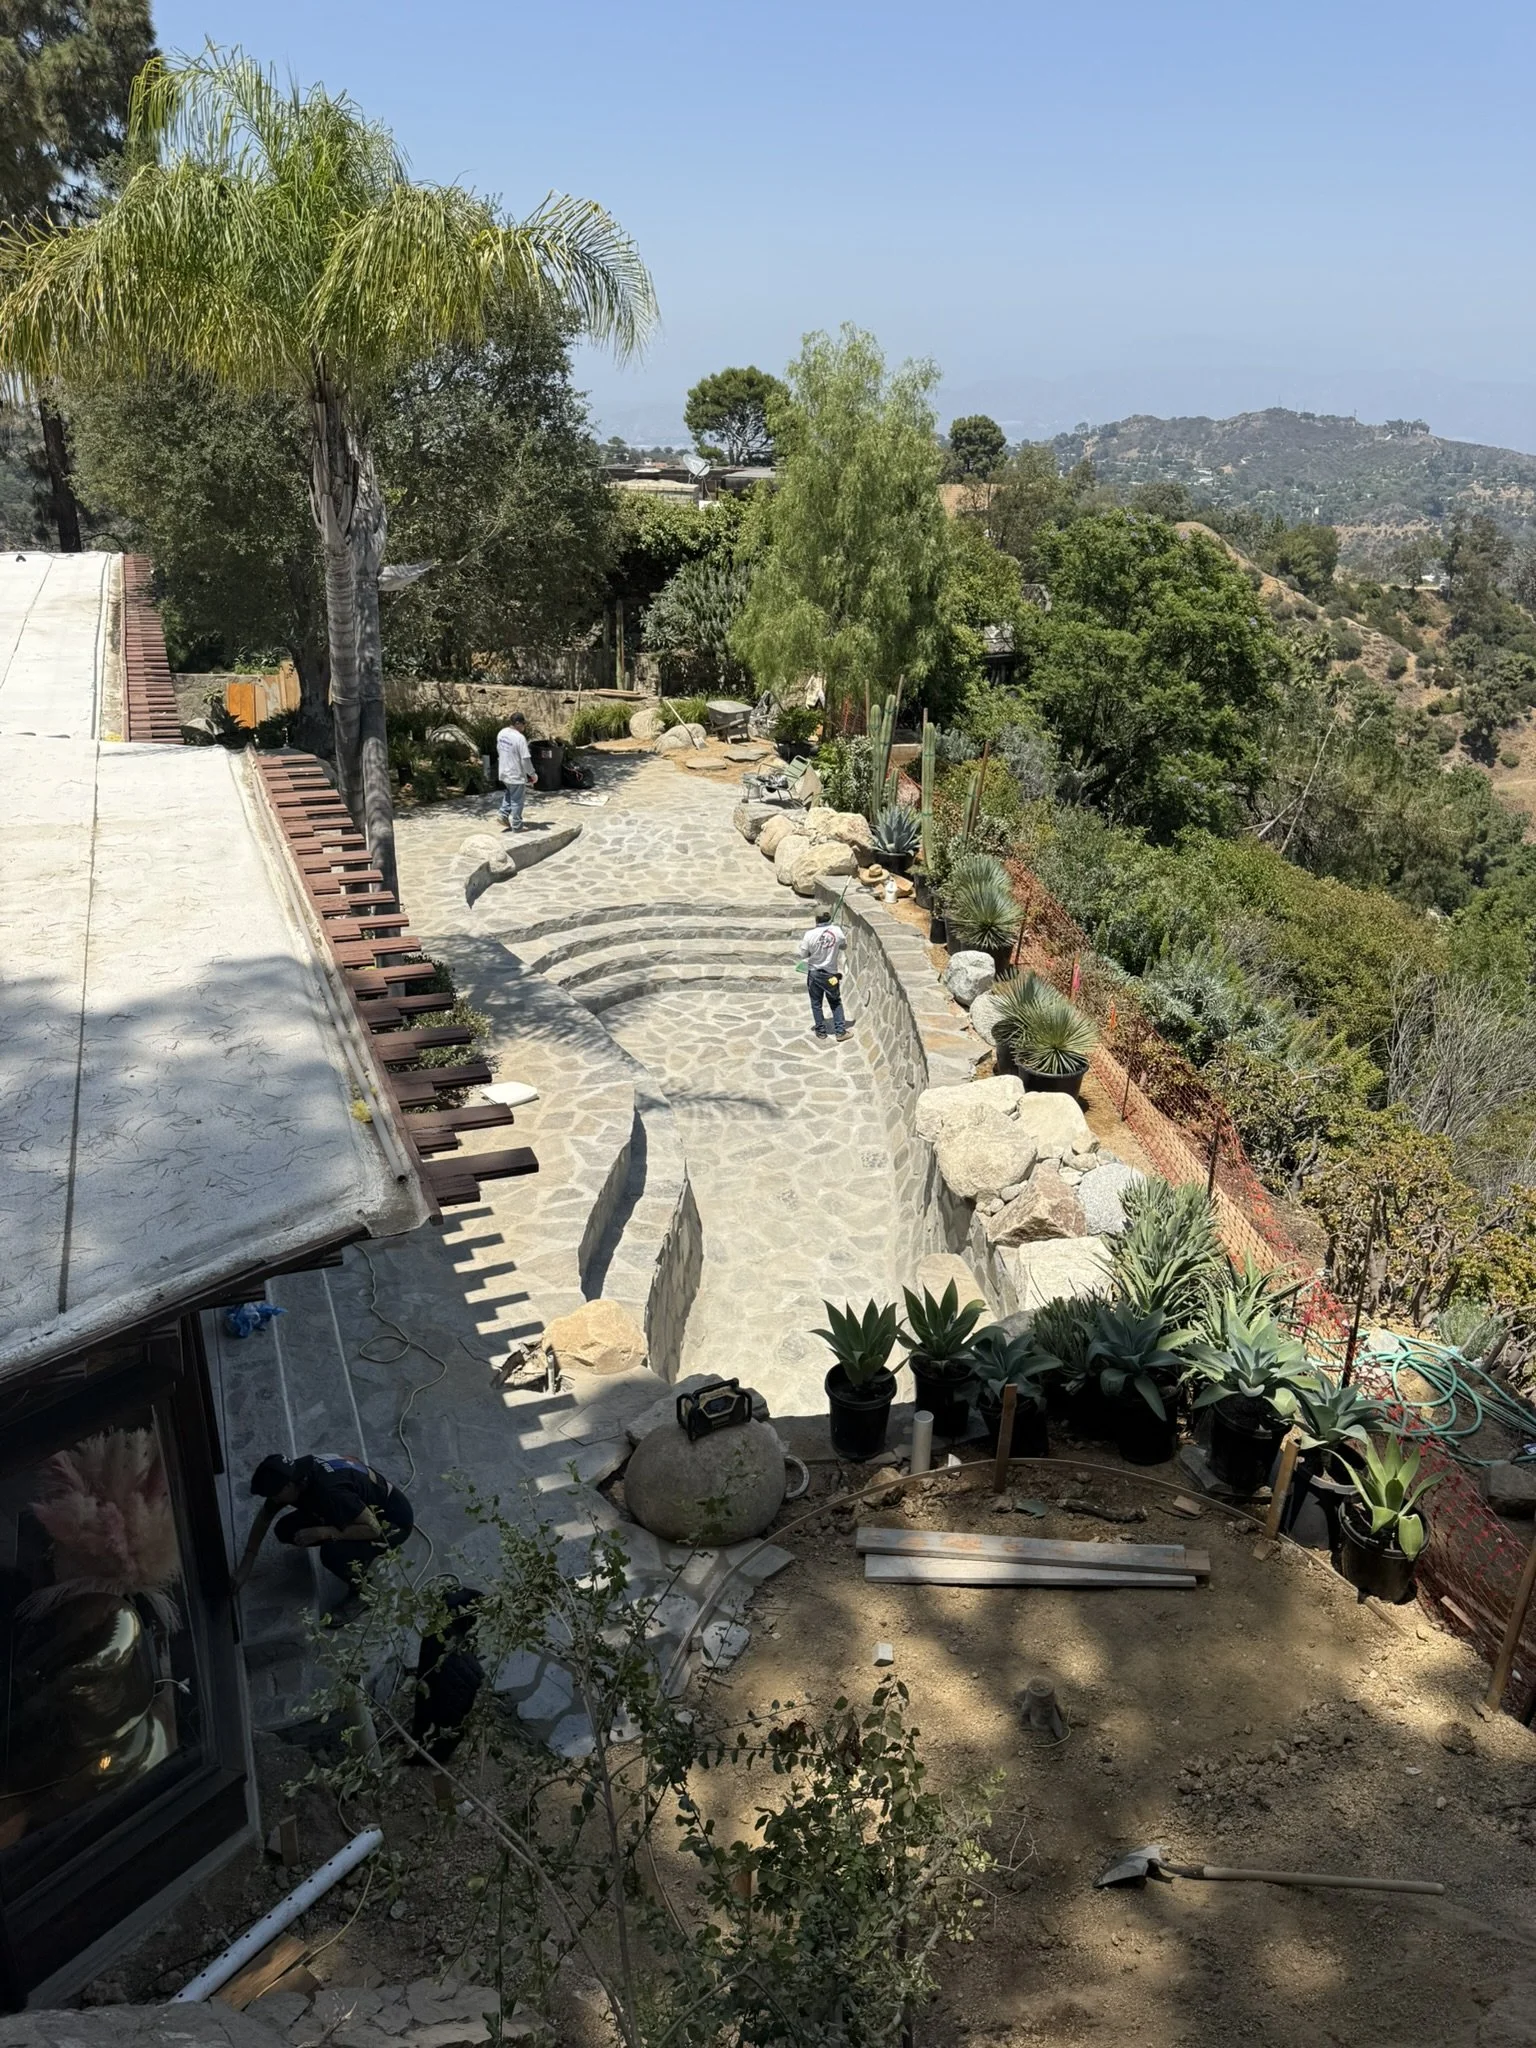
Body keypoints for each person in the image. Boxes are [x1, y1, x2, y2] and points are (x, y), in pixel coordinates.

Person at [232, 1453, 415, 1594]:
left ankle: (363, 1590)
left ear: (288, 1486)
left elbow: (374, 1528)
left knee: (332, 1553)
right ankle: (348, 1537)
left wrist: (325, 1532)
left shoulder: (330, 1493)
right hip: (356, 1506)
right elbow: (265, 1517)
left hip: (391, 1523)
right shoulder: (294, 1474)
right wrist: (244, 1568)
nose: (273, 1500)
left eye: (274, 1495)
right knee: (285, 1530)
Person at [796, 906, 850, 1041]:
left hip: (814, 974)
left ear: (816, 919)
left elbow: (803, 954)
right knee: (835, 1002)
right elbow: (844, 946)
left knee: (816, 1003)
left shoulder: (809, 935)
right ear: (829, 917)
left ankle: (821, 1031)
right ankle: (840, 1032)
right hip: (831, 975)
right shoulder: (837, 931)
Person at [495, 713, 534, 832]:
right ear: (518, 723)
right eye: (523, 724)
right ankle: (517, 825)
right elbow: (525, 759)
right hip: (515, 774)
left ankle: (503, 815)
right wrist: (532, 773)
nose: (524, 727)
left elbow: (499, 749)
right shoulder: (519, 738)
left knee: (509, 793)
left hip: (503, 771)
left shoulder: (502, 733)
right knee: (517, 800)